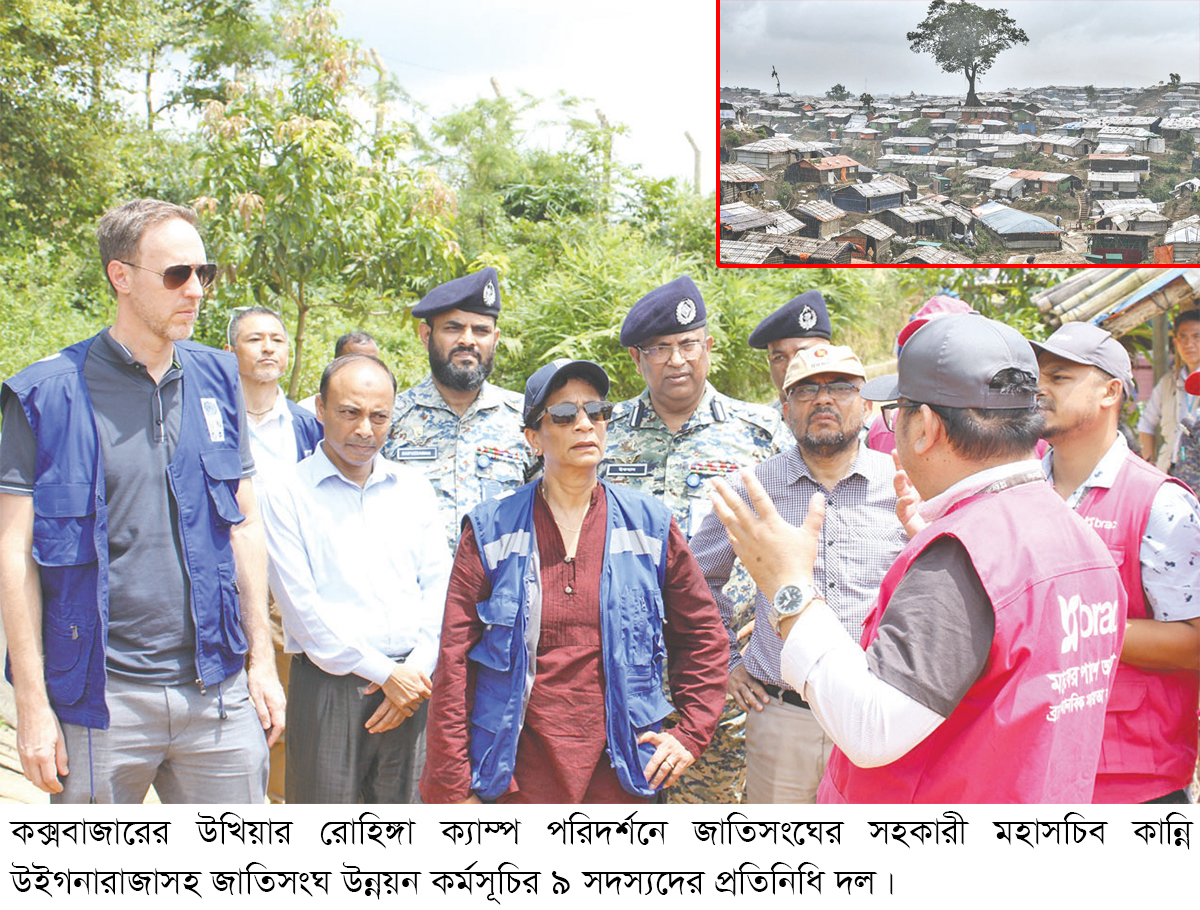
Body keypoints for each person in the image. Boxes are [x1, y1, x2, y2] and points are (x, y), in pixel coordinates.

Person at [712, 314, 1126, 803]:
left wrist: (790, 587)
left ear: (925, 426)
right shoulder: (1076, 536)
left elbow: (871, 726)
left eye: (898, 411)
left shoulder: (965, 557)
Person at [0, 198, 284, 803]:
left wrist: (261, 661)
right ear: (120, 277)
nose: (197, 290)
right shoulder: (45, 395)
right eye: (177, 274)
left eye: (203, 274)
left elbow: (245, 525)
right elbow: (12, 551)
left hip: (217, 691)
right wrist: (31, 704)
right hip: (100, 700)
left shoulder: (218, 377)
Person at [420, 358, 727, 804]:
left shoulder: (650, 524)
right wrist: (452, 789)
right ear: (533, 439)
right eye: (564, 415)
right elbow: (454, 663)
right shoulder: (491, 530)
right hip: (515, 774)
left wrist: (690, 734)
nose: (584, 423)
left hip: (623, 770)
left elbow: (702, 635)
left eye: (596, 411)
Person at [690, 343, 906, 802]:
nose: (823, 400)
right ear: (786, 409)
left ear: (867, 406)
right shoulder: (750, 488)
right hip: (784, 717)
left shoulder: (904, 485)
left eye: (840, 388)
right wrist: (726, 662)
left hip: (879, 712)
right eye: (806, 390)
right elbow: (695, 581)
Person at [603, 274, 789, 804]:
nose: (677, 359)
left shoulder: (761, 435)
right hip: (620, 668)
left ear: (708, 347)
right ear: (638, 359)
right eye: (661, 348)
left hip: (722, 672)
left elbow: (796, 538)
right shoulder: (605, 434)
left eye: (688, 344)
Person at [260, 354, 450, 803]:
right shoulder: (286, 493)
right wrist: (385, 673)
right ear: (321, 409)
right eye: (350, 412)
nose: (365, 429)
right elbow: (302, 610)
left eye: (379, 416)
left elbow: (439, 586)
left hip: (413, 685)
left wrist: (415, 670)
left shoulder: (413, 488)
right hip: (331, 687)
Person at [1032, 322, 1200, 804]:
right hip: (1035, 766)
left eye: (1060, 378)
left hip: (1131, 777)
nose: (1040, 389)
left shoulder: (1159, 504)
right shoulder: (1019, 494)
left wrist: (1068, 627)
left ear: (1110, 392)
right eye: (1037, 377)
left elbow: (1191, 642)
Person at [383, 268, 533, 554]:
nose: (468, 340)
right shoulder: (390, 418)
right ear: (426, 335)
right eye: (453, 328)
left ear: (495, 338)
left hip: (500, 591)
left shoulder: (526, 419)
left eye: (481, 330)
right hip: (414, 592)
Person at [866, 294, 975, 454]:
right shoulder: (884, 429)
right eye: (922, 345)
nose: (934, 357)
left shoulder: (998, 432)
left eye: (946, 345)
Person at [225, 307, 322, 482]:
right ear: (230, 352)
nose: (268, 348)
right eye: (255, 339)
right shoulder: (214, 421)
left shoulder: (310, 427)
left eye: (277, 340)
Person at [1138, 309, 1200, 483]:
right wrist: (1148, 468)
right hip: (1170, 471)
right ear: (1176, 342)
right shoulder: (1168, 382)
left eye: (1196, 336)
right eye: (1183, 337)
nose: (1189, 343)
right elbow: (1146, 423)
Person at [746, 290, 833, 413]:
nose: (791, 366)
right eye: (779, 358)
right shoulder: (757, 428)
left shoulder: (862, 426)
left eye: (804, 354)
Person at [297, 331, 379, 415]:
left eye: (372, 362)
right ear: (336, 364)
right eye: (355, 362)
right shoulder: (307, 411)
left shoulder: (389, 408)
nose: (365, 370)